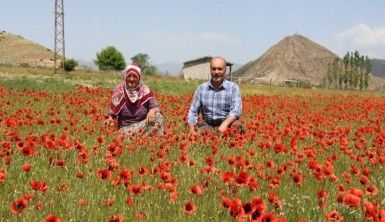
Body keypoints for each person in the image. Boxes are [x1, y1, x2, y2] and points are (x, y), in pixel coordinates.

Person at [187, 57, 242, 135]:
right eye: (214, 69)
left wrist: (224, 125)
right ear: (210, 70)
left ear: (225, 70)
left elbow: (236, 110)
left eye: (220, 69)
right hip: (208, 125)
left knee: (237, 126)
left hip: (228, 124)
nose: (216, 72)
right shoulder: (201, 88)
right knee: (200, 135)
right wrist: (191, 129)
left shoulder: (233, 87)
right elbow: (193, 111)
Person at [106, 63, 164, 136]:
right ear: (125, 77)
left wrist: (152, 110)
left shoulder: (145, 90)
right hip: (126, 129)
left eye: (135, 76)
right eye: (129, 76)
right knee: (151, 126)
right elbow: (112, 114)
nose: (131, 79)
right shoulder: (119, 91)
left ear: (139, 78)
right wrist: (110, 119)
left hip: (143, 125)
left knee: (158, 116)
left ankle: (155, 140)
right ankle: (145, 138)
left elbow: (156, 107)